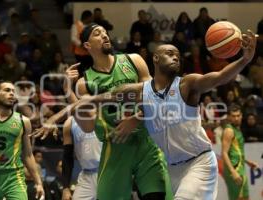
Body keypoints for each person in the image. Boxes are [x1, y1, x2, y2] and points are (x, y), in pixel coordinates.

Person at [50, 29, 257, 199]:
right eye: (170, 53)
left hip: (199, 161)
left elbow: (220, 77)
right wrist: (55, 115)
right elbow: (94, 100)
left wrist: (244, 60)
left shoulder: (188, 84)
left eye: (178, 55)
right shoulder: (138, 91)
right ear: (156, 58)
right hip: (173, 167)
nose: (176, 56)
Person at [33, 23, 171, 200]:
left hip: (146, 142)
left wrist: (137, 118)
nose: (105, 36)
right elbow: (88, 125)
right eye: (97, 34)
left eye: (105, 33)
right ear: (87, 46)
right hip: (114, 147)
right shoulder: (85, 83)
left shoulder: (133, 60)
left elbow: (155, 97)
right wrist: (68, 90)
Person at [222, 104, 258, 200]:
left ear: (242, 115)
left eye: (238, 115)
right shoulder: (229, 130)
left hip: (240, 168)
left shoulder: (237, 130)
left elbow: (235, 152)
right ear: (229, 117)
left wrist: (247, 162)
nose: (236, 118)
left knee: (245, 197)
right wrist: (233, 172)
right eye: (233, 116)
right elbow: (224, 153)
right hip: (234, 169)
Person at [62, 117, 102, 200]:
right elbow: (67, 157)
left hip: (107, 172)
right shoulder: (69, 123)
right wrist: (65, 188)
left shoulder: (102, 113)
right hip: (86, 175)